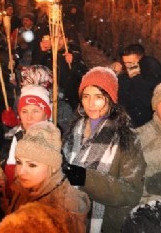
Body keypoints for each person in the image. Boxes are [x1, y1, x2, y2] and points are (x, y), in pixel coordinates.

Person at [62, 67, 146, 233]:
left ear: (111, 99)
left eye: (98, 97)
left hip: (103, 223)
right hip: (69, 218)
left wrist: (87, 179)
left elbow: (131, 192)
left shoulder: (126, 139)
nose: (91, 104)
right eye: (86, 97)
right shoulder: (72, 130)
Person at [6, 121, 90, 233]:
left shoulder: (67, 205)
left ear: (52, 167)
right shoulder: (23, 188)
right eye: (19, 162)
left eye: (32, 165)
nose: (21, 171)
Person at [114, 43, 161, 127]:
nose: (127, 66)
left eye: (131, 63)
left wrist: (136, 79)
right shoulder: (124, 77)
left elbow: (150, 103)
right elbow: (120, 100)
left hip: (146, 124)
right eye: (125, 63)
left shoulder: (152, 75)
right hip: (127, 121)